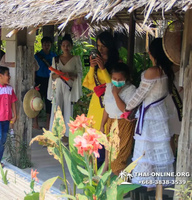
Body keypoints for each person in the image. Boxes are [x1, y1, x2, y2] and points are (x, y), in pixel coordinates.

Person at [125, 38, 175, 188]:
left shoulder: (153, 71)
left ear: (151, 53)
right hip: (160, 112)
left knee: (146, 150)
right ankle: (156, 186)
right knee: (158, 148)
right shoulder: (168, 70)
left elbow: (140, 94)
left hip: (149, 115)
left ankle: (148, 185)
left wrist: (127, 109)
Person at [83, 31, 119, 167]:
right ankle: (93, 171)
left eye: (103, 46)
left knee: (104, 138)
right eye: (98, 46)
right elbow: (89, 84)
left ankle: (103, 170)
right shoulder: (96, 63)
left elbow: (114, 86)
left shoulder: (116, 64)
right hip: (95, 104)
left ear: (110, 47)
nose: (100, 50)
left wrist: (103, 69)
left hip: (108, 106)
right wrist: (93, 67)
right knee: (92, 139)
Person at [100, 63, 136, 176]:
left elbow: (125, 110)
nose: (116, 81)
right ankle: (124, 187)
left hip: (124, 125)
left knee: (118, 160)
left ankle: (126, 186)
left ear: (127, 78)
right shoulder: (109, 86)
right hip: (111, 122)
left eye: (120, 79)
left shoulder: (131, 90)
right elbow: (107, 108)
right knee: (109, 154)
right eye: (114, 78)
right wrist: (102, 124)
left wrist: (116, 94)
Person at [47, 34, 82, 144]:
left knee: (68, 109)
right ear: (61, 47)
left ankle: (67, 136)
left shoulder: (76, 59)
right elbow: (52, 76)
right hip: (58, 86)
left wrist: (69, 74)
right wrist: (58, 75)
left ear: (71, 46)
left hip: (69, 86)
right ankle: (55, 133)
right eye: (63, 45)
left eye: (68, 45)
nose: (65, 47)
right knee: (56, 108)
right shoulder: (55, 59)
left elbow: (79, 74)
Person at [34, 36, 57, 130]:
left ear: (51, 45)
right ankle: (35, 123)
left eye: (48, 44)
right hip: (39, 80)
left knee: (49, 102)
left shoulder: (54, 56)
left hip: (50, 80)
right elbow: (33, 69)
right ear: (42, 45)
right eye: (45, 44)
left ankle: (48, 124)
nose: (46, 46)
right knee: (37, 101)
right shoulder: (37, 56)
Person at [165, 64, 183, 157]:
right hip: (171, 106)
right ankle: (174, 158)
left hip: (178, 106)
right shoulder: (164, 72)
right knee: (172, 136)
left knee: (176, 136)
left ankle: (176, 159)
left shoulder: (185, 70)